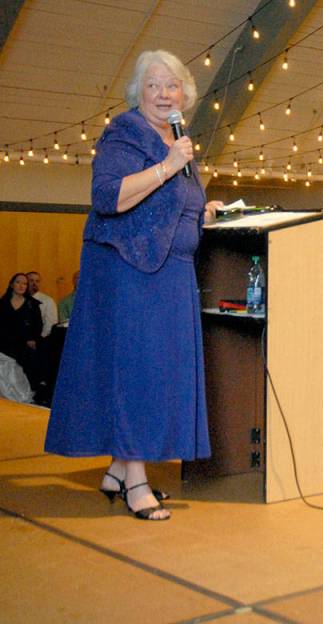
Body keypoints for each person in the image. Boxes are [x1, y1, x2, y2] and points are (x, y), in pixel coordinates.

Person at [44, 50, 221, 521]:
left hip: (170, 272)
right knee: (137, 374)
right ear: (138, 93)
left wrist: (200, 209)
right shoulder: (125, 133)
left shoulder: (178, 138)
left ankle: (120, 468)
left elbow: (171, 200)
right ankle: (135, 481)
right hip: (130, 271)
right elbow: (107, 196)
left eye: (173, 86)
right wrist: (167, 166)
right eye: (154, 86)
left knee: (158, 373)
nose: (165, 95)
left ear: (185, 92)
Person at [0, 273, 44, 395]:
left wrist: (33, 339)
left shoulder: (32, 304)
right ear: (11, 284)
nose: (22, 286)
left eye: (25, 283)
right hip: (4, 344)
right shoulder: (2, 303)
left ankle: (26, 394)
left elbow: (38, 325)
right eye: (18, 282)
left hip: (25, 344)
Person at [26, 271, 57, 338]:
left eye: (37, 281)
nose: (34, 283)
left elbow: (50, 324)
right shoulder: (20, 299)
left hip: (41, 338)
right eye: (31, 280)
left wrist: (39, 338)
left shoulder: (47, 300)